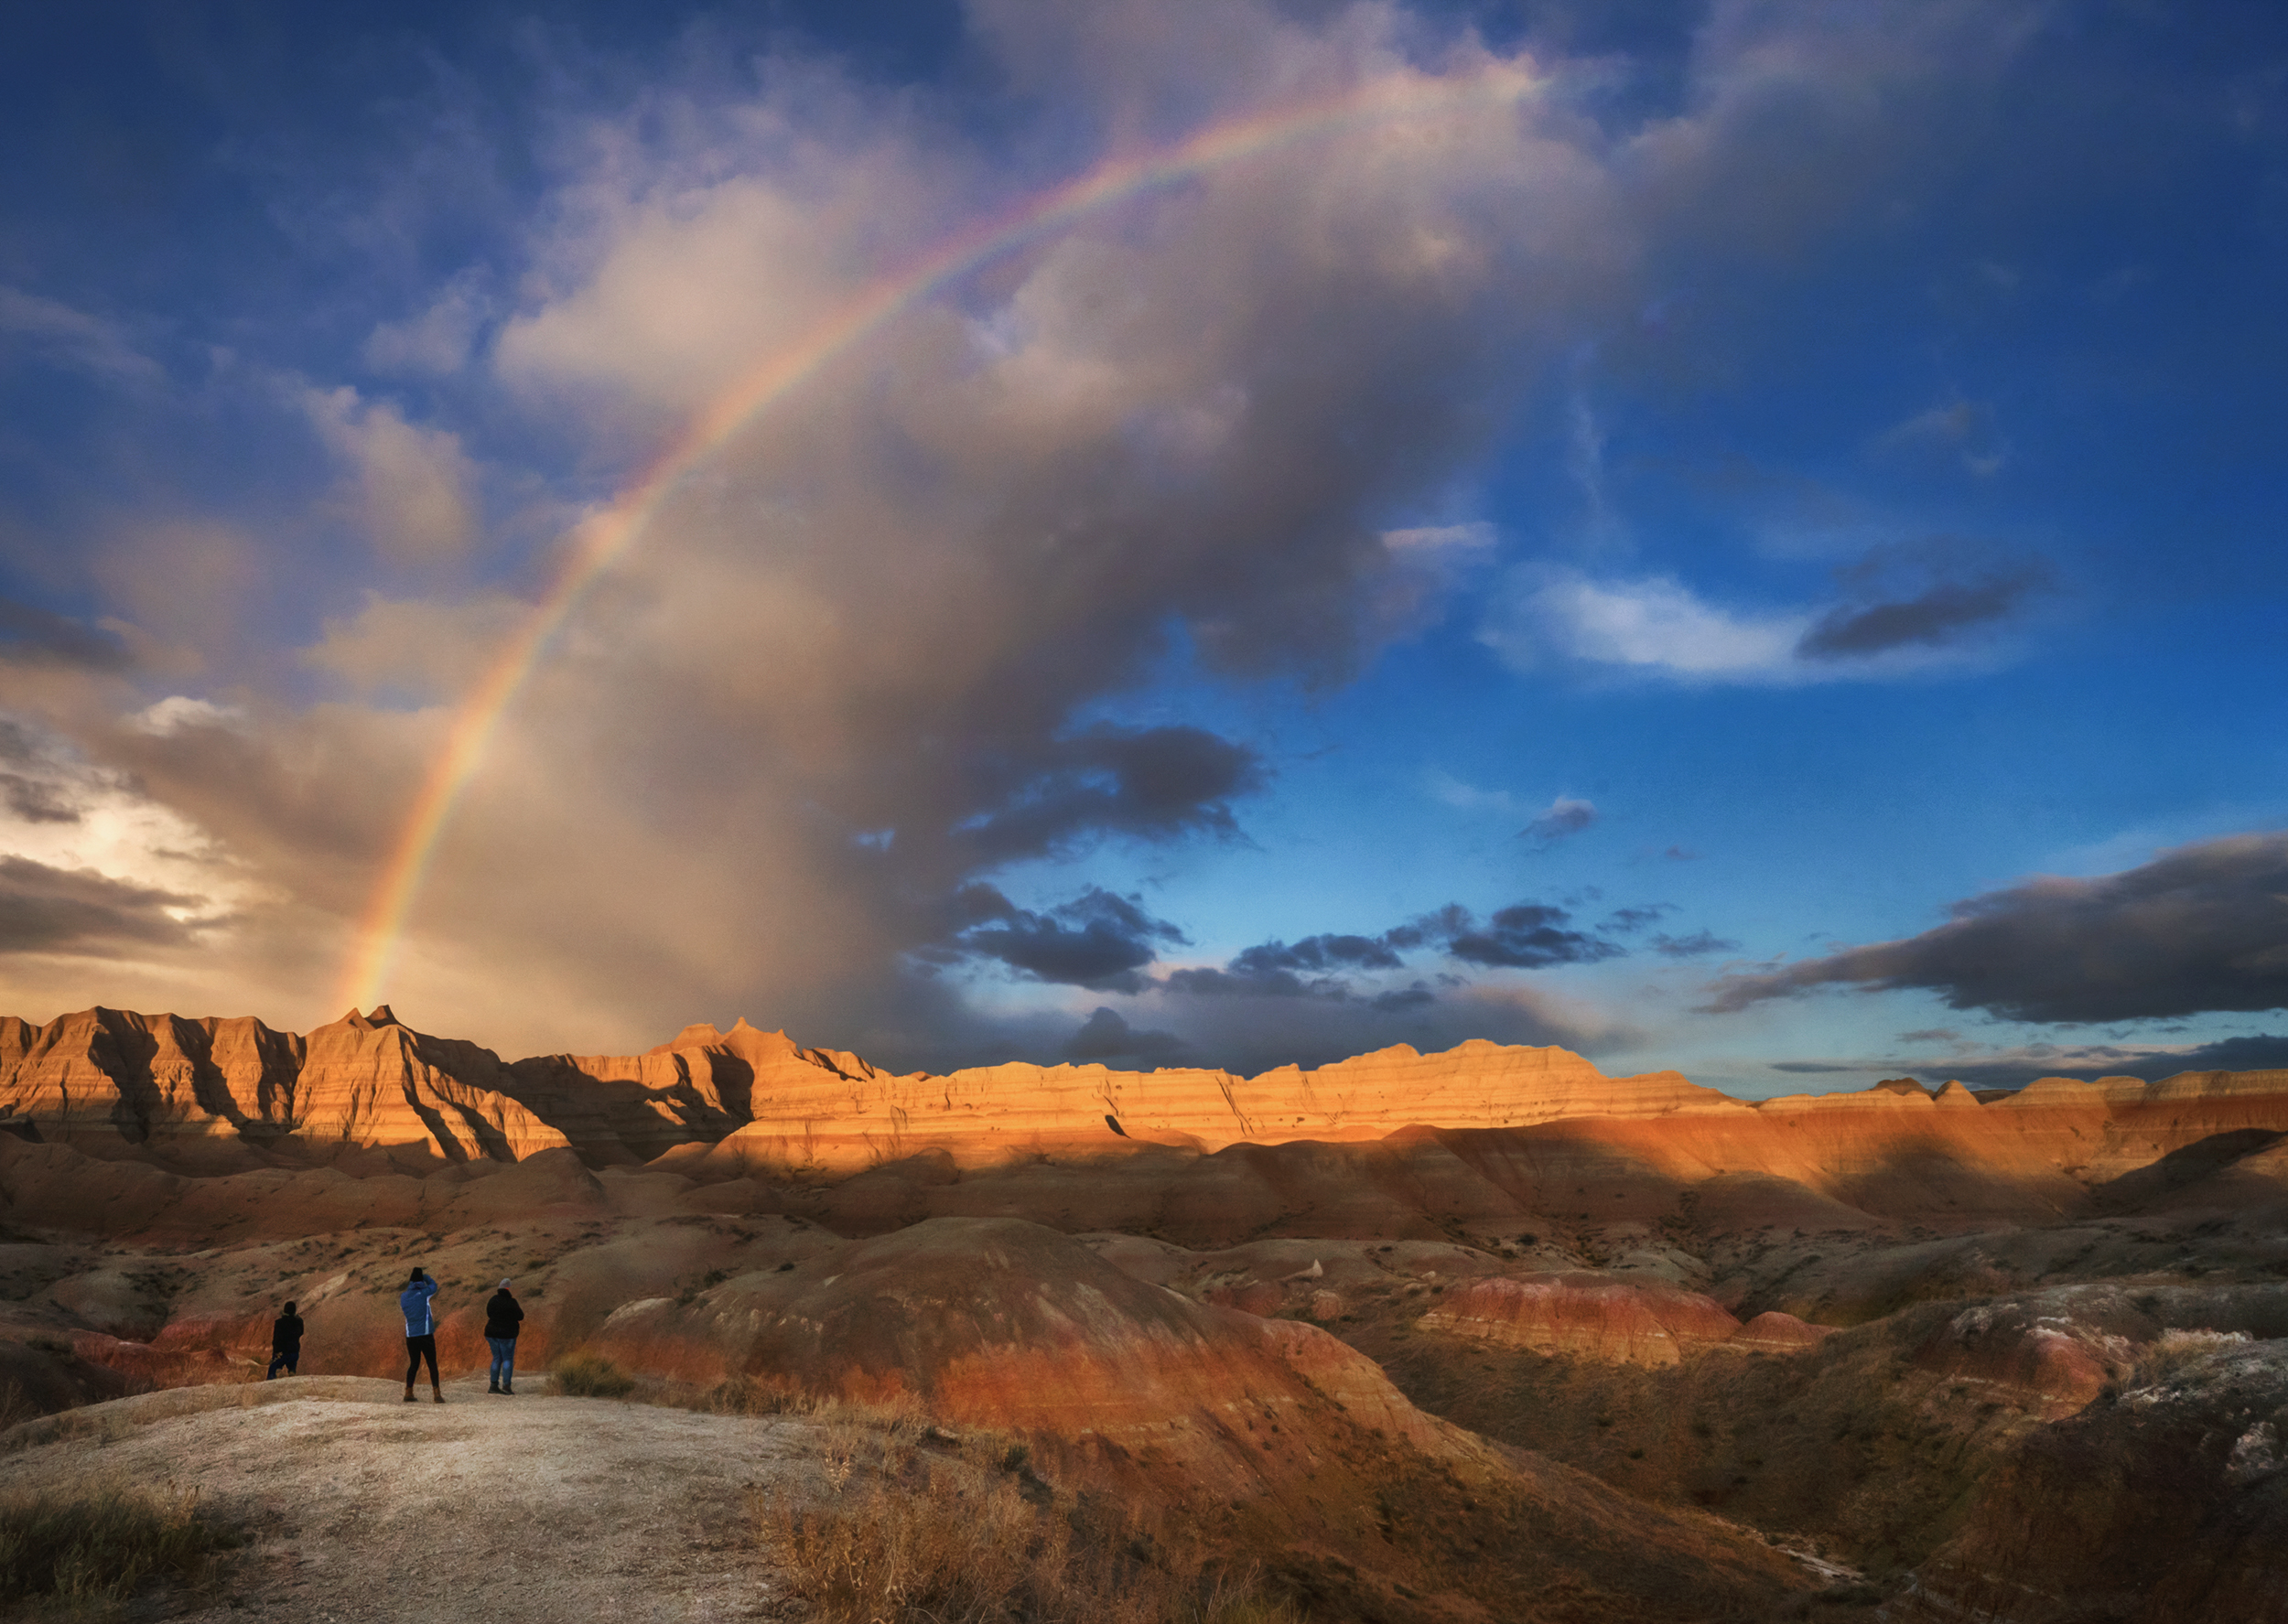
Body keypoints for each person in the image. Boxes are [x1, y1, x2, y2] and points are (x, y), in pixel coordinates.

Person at [401, 1266, 442, 1404]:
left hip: (411, 1335)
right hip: (425, 1334)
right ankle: (436, 1394)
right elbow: (434, 1286)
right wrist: (427, 1277)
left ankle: (409, 1392)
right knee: (431, 1364)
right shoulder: (424, 1294)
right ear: (420, 1281)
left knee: (414, 1364)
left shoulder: (404, 1296)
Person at [482, 1278, 524, 1395]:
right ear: (508, 1289)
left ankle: (493, 1385)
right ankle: (506, 1386)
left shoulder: (493, 1300)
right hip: (507, 1334)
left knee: (496, 1358)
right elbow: (520, 1316)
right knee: (507, 1359)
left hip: (491, 1333)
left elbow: (489, 1313)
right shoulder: (512, 1302)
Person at [266, 1301, 304, 1379]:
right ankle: (292, 1370)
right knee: (292, 1362)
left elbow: (277, 1339)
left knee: (272, 1368)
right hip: (294, 1352)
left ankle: (271, 1381)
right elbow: (301, 1333)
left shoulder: (279, 1323)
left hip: (282, 1353)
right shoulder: (298, 1322)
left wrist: (276, 1352)